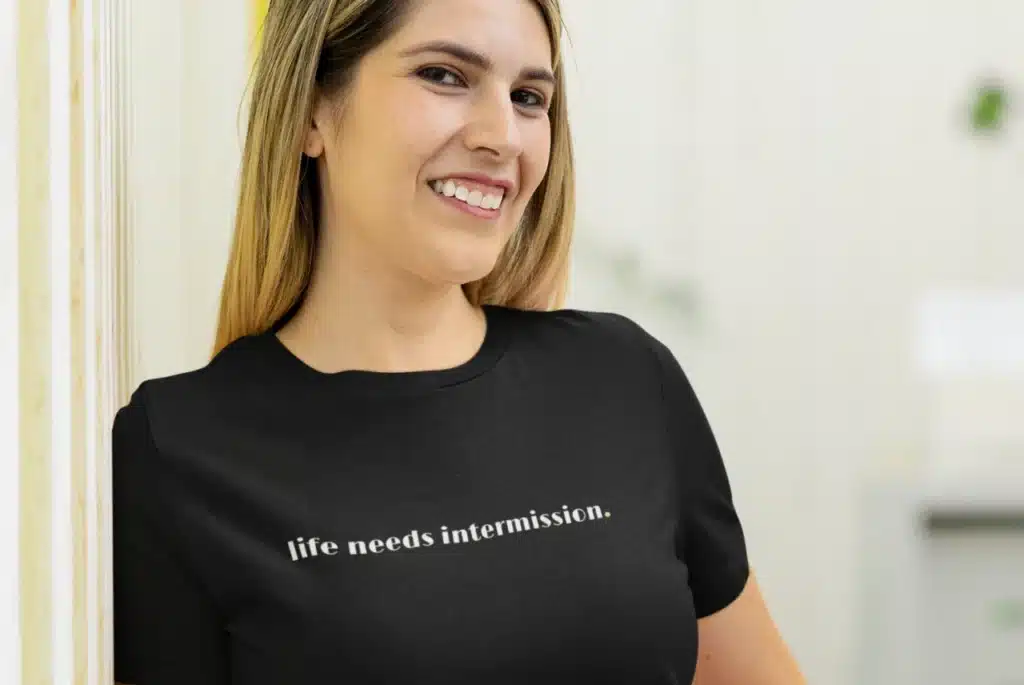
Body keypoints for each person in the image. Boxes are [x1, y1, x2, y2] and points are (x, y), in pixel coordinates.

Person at [112, 0, 806, 683]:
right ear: (312, 110)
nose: (501, 134)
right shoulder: (178, 449)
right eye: (445, 75)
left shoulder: (625, 380)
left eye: (530, 96)